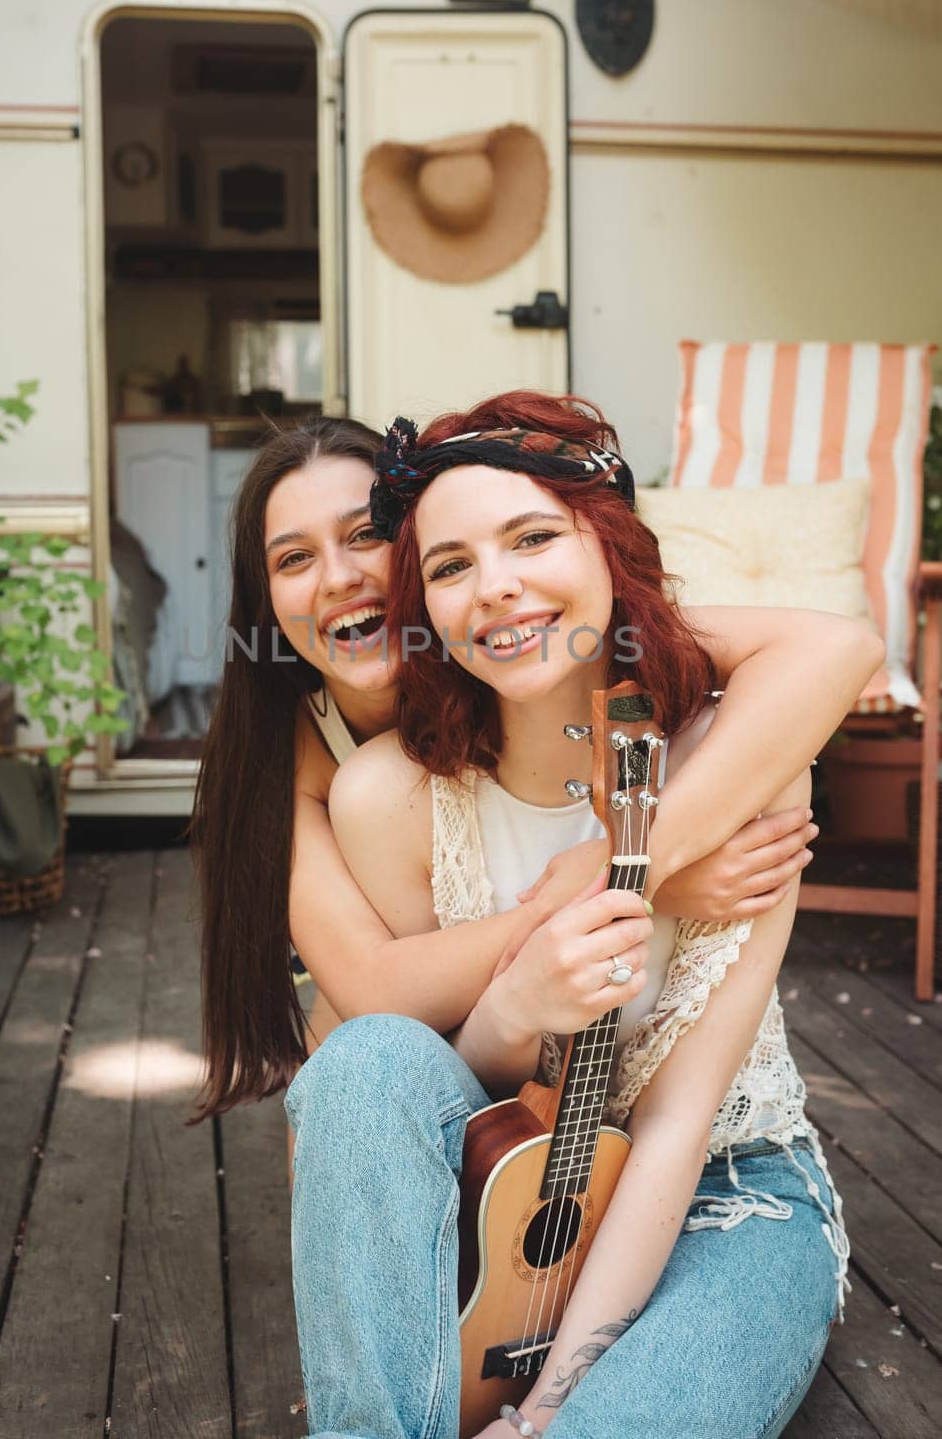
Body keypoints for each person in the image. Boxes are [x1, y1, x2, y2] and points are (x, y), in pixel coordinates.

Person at [284, 392, 884, 1439]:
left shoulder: (735, 759)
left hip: (716, 1192)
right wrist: (518, 997)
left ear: (605, 545)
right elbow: (439, 1092)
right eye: (452, 564)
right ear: (424, 602)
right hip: (504, 1175)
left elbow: (673, 1122)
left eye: (531, 537)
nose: (497, 586)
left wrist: (548, 1403)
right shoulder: (387, 797)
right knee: (359, 1057)